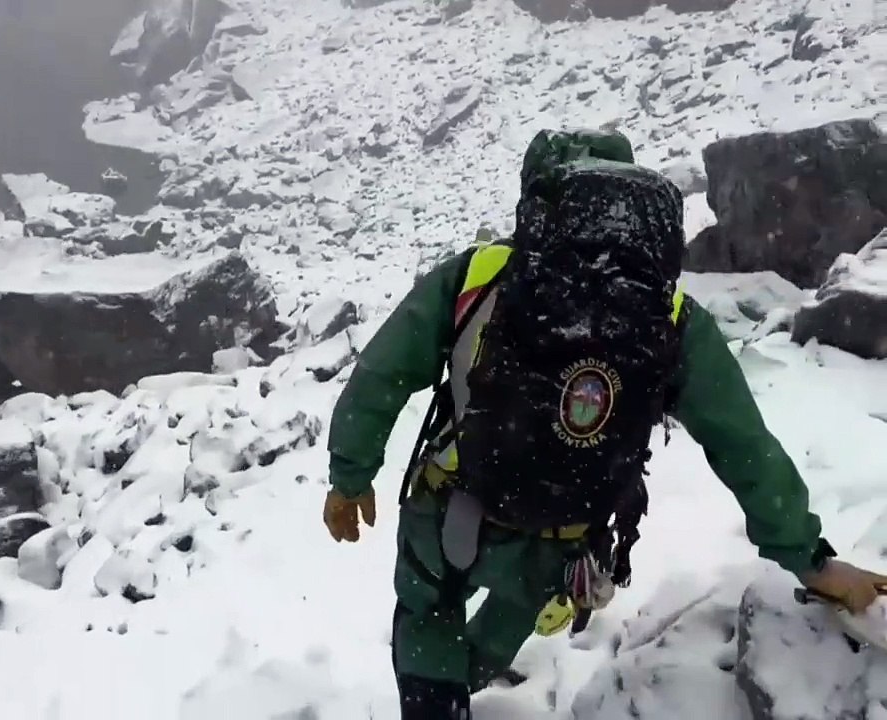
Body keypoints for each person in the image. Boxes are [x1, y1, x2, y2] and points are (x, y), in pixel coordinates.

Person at [321, 128, 887, 720]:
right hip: (566, 536)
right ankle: (464, 678)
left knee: (429, 611)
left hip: (453, 512)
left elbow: (382, 374)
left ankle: (438, 700)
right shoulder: (669, 315)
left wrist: (350, 476)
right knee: (515, 605)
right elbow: (744, 444)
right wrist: (811, 560)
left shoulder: (479, 276)